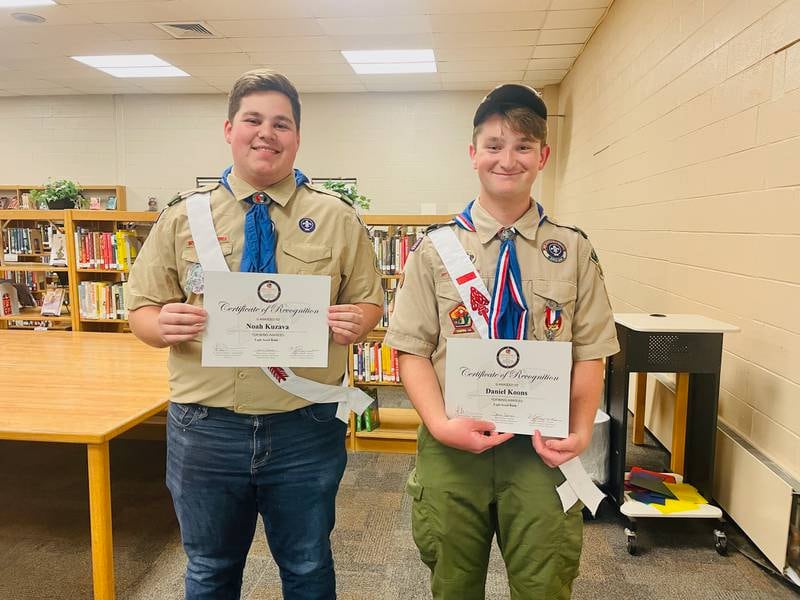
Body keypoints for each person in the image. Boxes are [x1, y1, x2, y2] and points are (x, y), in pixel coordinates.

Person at [126, 69, 383, 600]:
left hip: (305, 425)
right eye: (253, 119)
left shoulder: (337, 218)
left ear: (297, 137)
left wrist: (360, 320)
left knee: (309, 567)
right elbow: (141, 312)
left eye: (281, 123)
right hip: (205, 427)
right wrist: (160, 325)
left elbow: (369, 302)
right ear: (229, 129)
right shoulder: (182, 219)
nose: (267, 132)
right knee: (210, 569)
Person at [384, 84, 620, 599]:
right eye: (493, 145)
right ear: (473, 154)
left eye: (522, 146)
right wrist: (442, 426)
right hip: (453, 447)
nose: (506, 159)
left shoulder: (573, 250)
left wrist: (580, 432)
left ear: (543, 156)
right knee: (453, 585)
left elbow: (590, 353)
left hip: (540, 451)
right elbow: (411, 351)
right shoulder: (433, 251)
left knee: (544, 584)